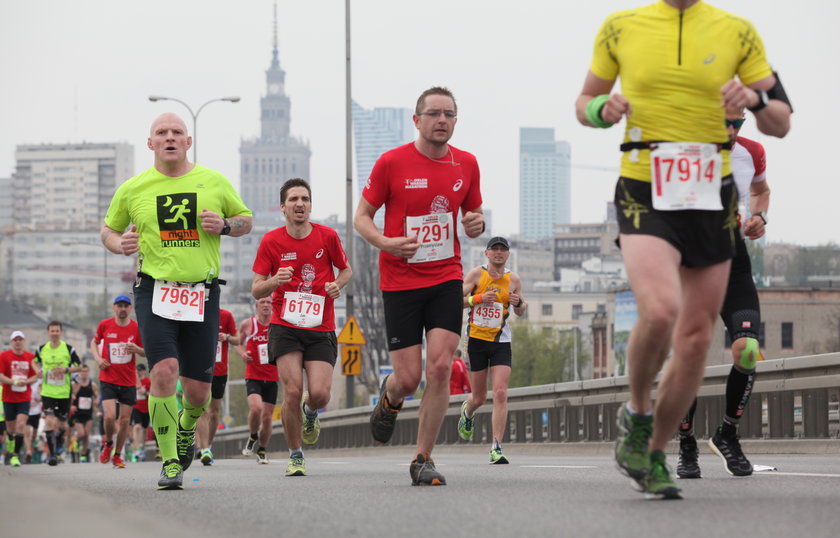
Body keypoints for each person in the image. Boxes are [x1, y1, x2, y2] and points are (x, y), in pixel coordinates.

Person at [576, 0, 792, 499]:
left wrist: (755, 103)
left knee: (695, 339)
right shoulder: (621, 27)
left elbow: (781, 121)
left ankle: (652, 451)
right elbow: (584, 101)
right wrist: (599, 109)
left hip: (710, 197)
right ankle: (637, 413)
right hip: (644, 188)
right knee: (661, 311)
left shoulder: (737, 32)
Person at [101, 112, 253, 489]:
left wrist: (226, 226)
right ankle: (170, 461)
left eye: (177, 133)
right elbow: (107, 229)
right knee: (163, 371)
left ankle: (186, 428)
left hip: (201, 293)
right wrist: (119, 244)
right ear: (150, 144)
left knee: (199, 393)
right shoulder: (134, 188)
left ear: (188, 142)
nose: (169, 138)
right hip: (155, 291)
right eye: (161, 133)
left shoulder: (213, 182)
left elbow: (246, 219)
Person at [354, 86, 484, 486]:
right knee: (408, 378)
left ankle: (423, 458)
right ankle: (390, 397)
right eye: (434, 113)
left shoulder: (467, 164)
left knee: (441, 366)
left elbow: (473, 212)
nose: (442, 120)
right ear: (417, 120)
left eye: (449, 114)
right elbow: (362, 217)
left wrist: (474, 223)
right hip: (400, 282)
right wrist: (385, 242)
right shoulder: (392, 162)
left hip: (446, 277)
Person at [676, 107, 771, 479]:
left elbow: (761, 190)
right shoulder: (683, 152)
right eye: (724, 122)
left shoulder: (752, 151)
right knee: (690, 358)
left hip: (734, 259)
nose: (732, 129)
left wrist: (760, 217)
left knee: (747, 349)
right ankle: (686, 443)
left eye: (739, 122)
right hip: (692, 264)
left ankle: (727, 433)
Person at [252, 178, 352, 477]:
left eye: (305, 199)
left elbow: (346, 270)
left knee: (319, 394)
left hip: (320, 325)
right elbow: (257, 289)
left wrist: (336, 285)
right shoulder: (271, 241)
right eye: (294, 199)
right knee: (293, 390)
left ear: (310, 205)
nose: (300, 204)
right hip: (285, 325)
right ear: (283, 207)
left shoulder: (327, 236)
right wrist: (275, 281)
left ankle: (311, 413)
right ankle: (296, 454)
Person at [457, 236, 526, 463]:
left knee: (500, 393)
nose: (498, 252)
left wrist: (518, 303)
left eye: (502, 249)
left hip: (501, 343)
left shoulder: (513, 279)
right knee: (479, 397)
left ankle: (496, 446)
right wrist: (478, 298)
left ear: (508, 255)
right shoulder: (477, 274)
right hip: (476, 340)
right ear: (486, 253)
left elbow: (521, 310)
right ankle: (468, 411)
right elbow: (457, 300)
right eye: (494, 249)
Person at [92, 295, 145, 468]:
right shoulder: (105, 325)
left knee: (124, 421)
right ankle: (108, 444)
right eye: (119, 306)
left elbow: (147, 352)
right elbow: (94, 342)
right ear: (114, 308)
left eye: (126, 306)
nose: (123, 309)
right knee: (109, 417)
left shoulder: (136, 328)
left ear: (130, 309)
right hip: (108, 378)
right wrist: (98, 359)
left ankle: (117, 455)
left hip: (128, 380)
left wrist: (137, 349)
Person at [34, 321, 82, 466]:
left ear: (60, 332)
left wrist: (66, 370)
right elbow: (34, 361)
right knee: (49, 421)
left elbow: (79, 366)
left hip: (63, 392)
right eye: (52, 331)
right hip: (48, 391)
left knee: (62, 424)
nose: (54, 333)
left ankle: (60, 441)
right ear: (48, 332)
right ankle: (52, 454)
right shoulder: (41, 349)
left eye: (57, 331)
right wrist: (38, 370)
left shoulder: (68, 349)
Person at [236, 297, 278, 465]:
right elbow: (238, 343)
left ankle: (262, 450)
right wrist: (243, 354)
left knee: (267, 418)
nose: (266, 305)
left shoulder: (277, 324)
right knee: (256, 409)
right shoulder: (248, 324)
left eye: (269, 302)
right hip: (253, 375)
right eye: (263, 302)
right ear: (257, 306)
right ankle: (253, 435)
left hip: (273, 376)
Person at [198, 307, 239, 466]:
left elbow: (238, 340)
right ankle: (204, 449)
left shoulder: (226, 315)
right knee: (203, 409)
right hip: (201, 369)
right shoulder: (197, 312)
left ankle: (208, 444)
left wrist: (227, 337)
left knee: (214, 412)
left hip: (220, 371)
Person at [0, 331, 40, 467]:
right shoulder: (4, 356)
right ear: (11, 342)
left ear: (24, 341)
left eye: (20, 339)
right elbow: (0, 375)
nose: (18, 342)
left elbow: (36, 375)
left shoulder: (30, 357)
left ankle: (16, 456)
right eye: (15, 340)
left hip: (24, 397)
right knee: (10, 428)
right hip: (8, 396)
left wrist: (28, 381)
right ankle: (11, 441)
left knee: (21, 424)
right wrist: (13, 382)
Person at [70, 364, 99, 463]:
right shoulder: (75, 384)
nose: (84, 373)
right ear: (79, 373)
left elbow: (97, 396)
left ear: (88, 372)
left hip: (88, 412)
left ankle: (83, 454)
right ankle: (74, 441)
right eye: (82, 372)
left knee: (86, 434)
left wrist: (96, 401)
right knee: (81, 434)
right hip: (78, 412)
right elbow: (69, 397)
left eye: (86, 371)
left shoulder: (92, 384)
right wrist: (71, 406)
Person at [131, 363, 152, 462]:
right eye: (137, 370)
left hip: (146, 408)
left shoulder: (148, 381)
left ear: (144, 371)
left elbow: (153, 394)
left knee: (144, 429)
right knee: (137, 427)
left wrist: (145, 393)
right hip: (136, 407)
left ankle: (142, 448)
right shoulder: (133, 381)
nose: (138, 372)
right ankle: (136, 450)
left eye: (139, 370)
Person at [24, 379, 42, 463]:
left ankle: (30, 448)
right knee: (27, 433)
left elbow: (43, 392)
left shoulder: (39, 381)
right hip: (26, 411)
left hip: (36, 412)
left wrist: (40, 398)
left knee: (34, 434)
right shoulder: (24, 381)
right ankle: (28, 451)